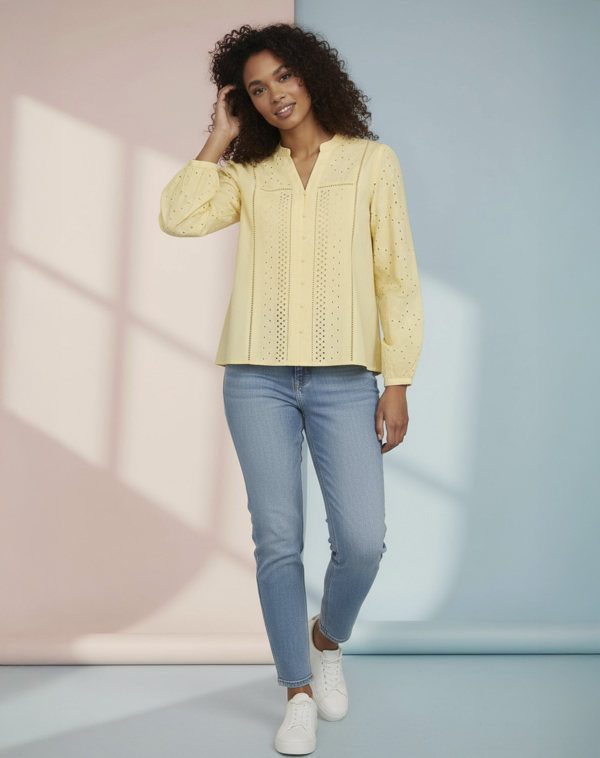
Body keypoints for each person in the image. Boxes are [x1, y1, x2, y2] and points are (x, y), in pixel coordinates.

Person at [159, 21, 424, 756]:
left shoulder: (371, 163)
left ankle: (325, 639)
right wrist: (218, 139)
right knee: (277, 540)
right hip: (257, 380)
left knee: (362, 542)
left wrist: (397, 380)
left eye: (283, 76)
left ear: (310, 73)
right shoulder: (248, 174)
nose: (274, 94)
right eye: (255, 89)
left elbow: (397, 277)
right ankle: (297, 690)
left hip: (345, 380)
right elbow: (177, 216)